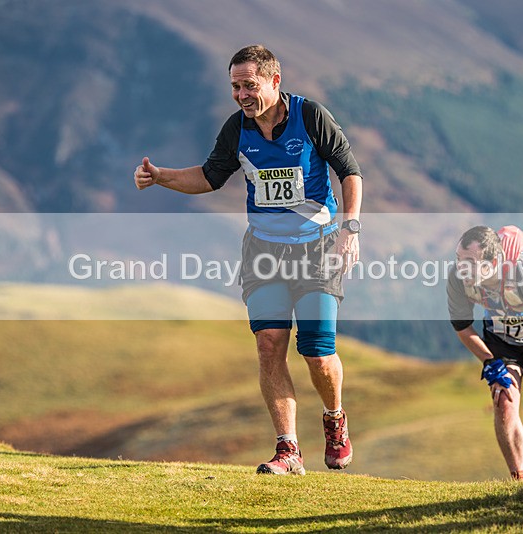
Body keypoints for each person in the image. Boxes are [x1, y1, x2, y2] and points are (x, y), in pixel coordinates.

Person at [133, 45, 362, 475]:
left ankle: (334, 419)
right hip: (264, 252)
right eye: (235, 86)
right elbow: (209, 176)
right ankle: (288, 450)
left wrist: (349, 230)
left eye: (249, 85)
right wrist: (161, 176)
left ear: (275, 81)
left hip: (317, 248)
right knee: (268, 345)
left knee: (317, 352)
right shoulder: (237, 129)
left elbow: (349, 171)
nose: (241, 94)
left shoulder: (310, 117)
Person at [446, 225, 523, 480]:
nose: (462, 268)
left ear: (493, 262)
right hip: (503, 339)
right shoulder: (458, 278)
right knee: (503, 402)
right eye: (459, 260)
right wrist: (489, 361)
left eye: (470, 262)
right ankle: (520, 484)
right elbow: (462, 327)